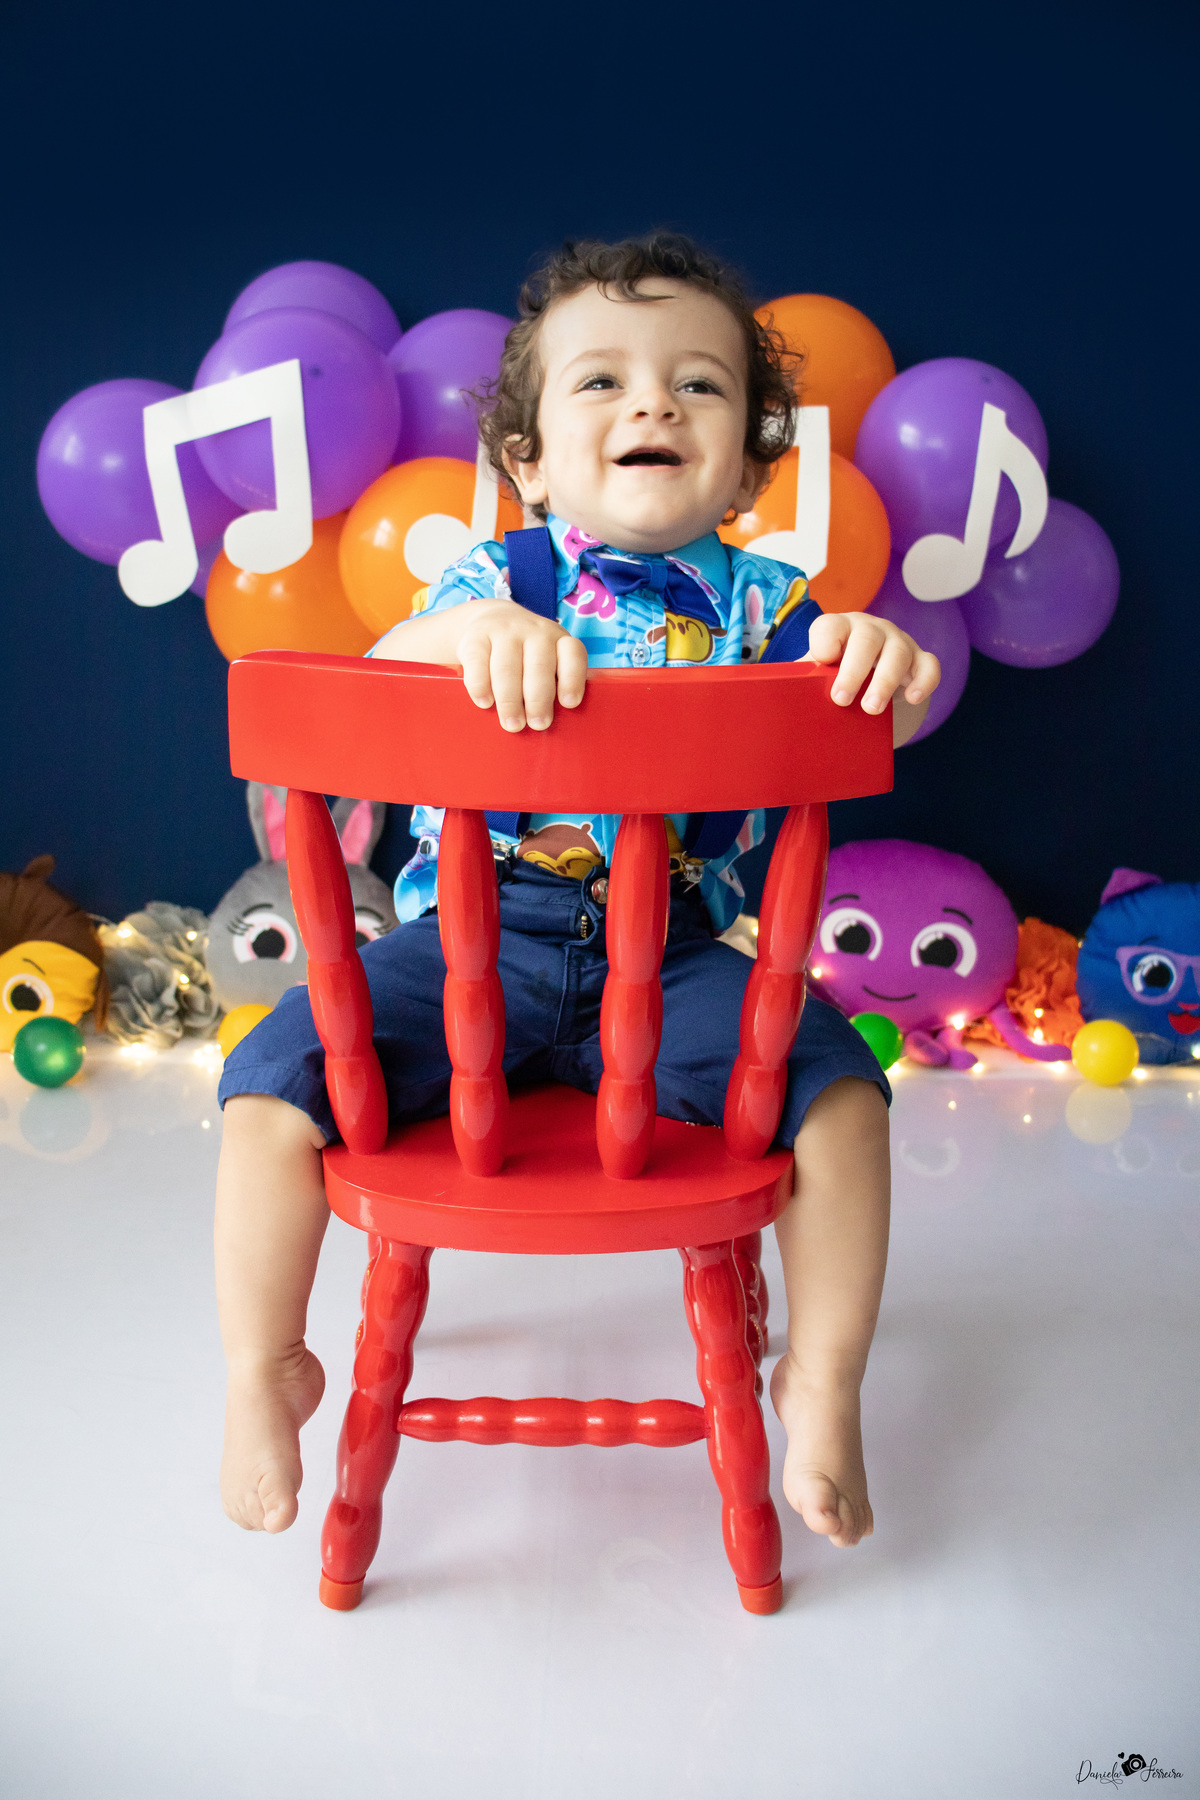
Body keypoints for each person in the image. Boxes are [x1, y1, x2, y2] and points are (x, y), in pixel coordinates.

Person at [216, 233, 940, 1556]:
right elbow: (376, 676)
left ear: (749, 466)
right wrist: (462, 638)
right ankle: (266, 1366)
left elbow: (876, 712)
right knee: (268, 1092)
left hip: (677, 963)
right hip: (469, 949)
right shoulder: (493, 582)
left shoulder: (771, 611)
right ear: (529, 460)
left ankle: (824, 1380)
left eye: (699, 384)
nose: (654, 402)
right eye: (601, 381)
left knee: (843, 1105)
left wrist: (873, 651)